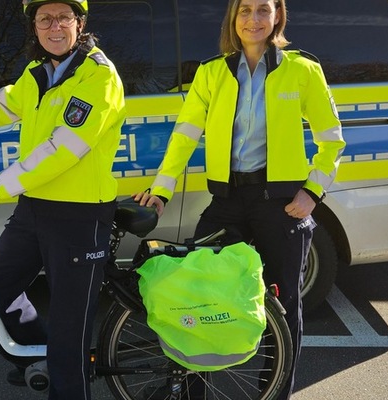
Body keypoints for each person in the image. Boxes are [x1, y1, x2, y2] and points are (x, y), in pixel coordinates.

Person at [134, 0, 345, 398]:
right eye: (244, 10)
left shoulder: (301, 70)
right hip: (228, 200)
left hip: (280, 203)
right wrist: (161, 188)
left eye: (263, 10)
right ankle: (192, 391)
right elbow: (184, 136)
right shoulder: (213, 72)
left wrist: (312, 192)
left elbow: (332, 138)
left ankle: (276, 392)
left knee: (284, 310)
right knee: (198, 292)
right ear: (233, 18)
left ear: (277, 16)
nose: (253, 19)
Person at [0, 1, 125, 399]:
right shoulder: (39, 73)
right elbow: (3, 104)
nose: (54, 27)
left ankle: (63, 371)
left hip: (80, 217)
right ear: (34, 27)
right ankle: (40, 357)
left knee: (70, 336)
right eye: (44, 19)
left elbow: (63, 147)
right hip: (36, 209)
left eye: (63, 18)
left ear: (79, 24)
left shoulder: (97, 76)